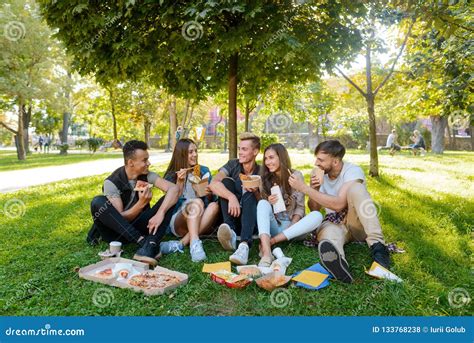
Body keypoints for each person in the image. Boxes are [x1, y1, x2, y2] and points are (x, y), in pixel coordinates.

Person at [288, 140, 391, 283]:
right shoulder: (320, 175)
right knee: (330, 238)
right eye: (316, 158)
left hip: (356, 222)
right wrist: (313, 189)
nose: (316, 163)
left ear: (335, 162)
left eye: (321, 160)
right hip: (334, 223)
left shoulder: (352, 171)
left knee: (356, 188)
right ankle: (339, 264)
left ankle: (379, 247)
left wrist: (304, 188)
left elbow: (339, 205)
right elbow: (315, 210)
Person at [87, 140, 180, 266]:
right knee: (97, 201)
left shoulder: (147, 175)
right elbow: (119, 218)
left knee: (170, 198)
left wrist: (160, 213)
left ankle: (151, 243)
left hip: (140, 225)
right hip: (116, 234)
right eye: (144, 160)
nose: (148, 163)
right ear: (131, 162)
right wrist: (141, 204)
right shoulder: (112, 182)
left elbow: (174, 189)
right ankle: (144, 242)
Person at [257, 143, 323, 267]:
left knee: (317, 215)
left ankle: (271, 242)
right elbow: (264, 214)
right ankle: (266, 253)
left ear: (281, 157)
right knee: (262, 203)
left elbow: (300, 207)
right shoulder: (264, 179)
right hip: (276, 225)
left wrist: (292, 226)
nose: (267, 162)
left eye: (271, 157)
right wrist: (269, 201)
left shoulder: (295, 176)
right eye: (266, 158)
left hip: (295, 228)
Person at [161, 138, 220, 262]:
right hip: (179, 220)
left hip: (200, 219)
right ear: (182, 155)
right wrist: (179, 182)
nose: (195, 155)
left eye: (195, 151)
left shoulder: (203, 171)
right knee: (196, 203)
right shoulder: (172, 175)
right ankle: (194, 243)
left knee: (214, 206)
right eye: (190, 152)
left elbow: (209, 200)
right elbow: (171, 203)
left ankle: (182, 243)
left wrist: (208, 194)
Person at [208, 132, 261, 265]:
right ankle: (230, 233)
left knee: (250, 191)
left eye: (244, 149)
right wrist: (231, 196)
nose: (240, 153)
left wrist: (256, 191)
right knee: (226, 182)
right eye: (239, 149)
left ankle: (244, 245)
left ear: (255, 151)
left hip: (251, 222)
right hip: (232, 216)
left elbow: (265, 204)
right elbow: (214, 183)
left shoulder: (261, 171)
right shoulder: (233, 164)